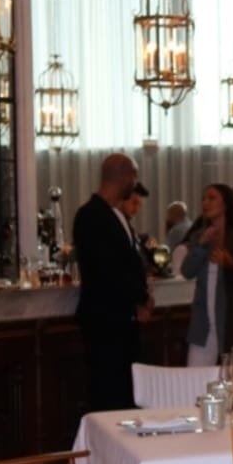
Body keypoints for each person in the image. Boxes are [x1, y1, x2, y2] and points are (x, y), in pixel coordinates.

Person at [72, 154, 152, 412]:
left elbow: (129, 264)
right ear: (125, 177)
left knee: (127, 393)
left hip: (123, 321)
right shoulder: (90, 215)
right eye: (134, 176)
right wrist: (140, 297)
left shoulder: (116, 215)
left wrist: (142, 298)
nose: (135, 183)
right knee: (107, 394)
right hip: (104, 322)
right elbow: (108, 269)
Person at [179, 184, 233, 366]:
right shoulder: (200, 236)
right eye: (203, 199)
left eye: (211, 198)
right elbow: (187, 271)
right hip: (203, 323)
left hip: (231, 322)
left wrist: (230, 265)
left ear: (226, 204)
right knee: (195, 375)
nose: (205, 203)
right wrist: (201, 245)